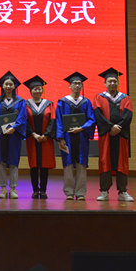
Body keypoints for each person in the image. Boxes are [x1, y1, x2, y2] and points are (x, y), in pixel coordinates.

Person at [94, 67, 134, 202]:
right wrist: (110, 127)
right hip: (106, 135)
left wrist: (118, 128)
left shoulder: (125, 98)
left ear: (118, 83)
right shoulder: (99, 97)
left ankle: (122, 191)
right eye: (110, 81)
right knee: (105, 161)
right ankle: (104, 191)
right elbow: (98, 115)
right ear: (105, 83)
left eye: (115, 81)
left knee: (121, 162)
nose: (112, 83)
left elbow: (128, 115)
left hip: (121, 135)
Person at [0, 71, 28, 199]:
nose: (8, 86)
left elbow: (22, 118)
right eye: (6, 84)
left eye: (11, 84)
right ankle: (3, 188)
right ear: (2, 86)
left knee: (14, 161)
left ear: (15, 86)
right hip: (0, 136)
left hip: (14, 136)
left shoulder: (20, 101)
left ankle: (13, 188)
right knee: (1, 161)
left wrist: (14, 128)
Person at [56, 72, 96, 200]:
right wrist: (60, 138)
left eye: (79, 84)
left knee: (81, 164)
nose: (77, 86)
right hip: (67, 138)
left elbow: (91, 119)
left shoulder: (86, 102)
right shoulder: (63, 102)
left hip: (81, 137)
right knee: (67, 165)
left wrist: (81, 128)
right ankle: (69, 192)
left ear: (82, 86)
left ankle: (80, 193)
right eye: (75, 83)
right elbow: (59, 121)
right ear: (70, 86)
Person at [23, 75, 56, 199]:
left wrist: (46, 134)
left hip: (45, 139)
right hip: (32, 139)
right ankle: (35, 190)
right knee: (34, 165)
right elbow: (24, 121)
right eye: (35, 89)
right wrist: (33, 134)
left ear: (42, 90)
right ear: (30, 91)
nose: (37, 91)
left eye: (39, 88)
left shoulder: (49, 104)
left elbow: (53, 120)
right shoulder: (25, 104)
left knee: (44, 165)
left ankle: (43, 190)